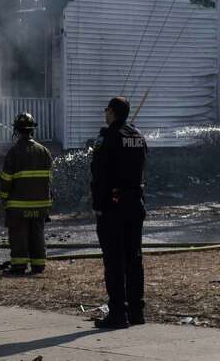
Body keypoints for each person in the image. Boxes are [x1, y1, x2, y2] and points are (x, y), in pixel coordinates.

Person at [90, 96, 148, 330]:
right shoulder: (138, 136)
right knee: (134, 258)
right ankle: (136, 312)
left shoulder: (108, 135)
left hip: (113, 206)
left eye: (106, 110)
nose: (105, 114)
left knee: (114, 261)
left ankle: (118, 314)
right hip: (136, 203)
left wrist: (98, 205)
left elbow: (99, 173)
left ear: (113, 112)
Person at [0, 112, 53, 275]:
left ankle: (19, 265)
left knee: (18, 235)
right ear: (32, 130)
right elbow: (49, 180)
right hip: (41, 204)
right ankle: (38, 265)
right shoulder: (44, 151)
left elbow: (5, 180)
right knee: (37, 234)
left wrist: (4, 198)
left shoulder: (13, 153)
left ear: (16, 131)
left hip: (18, 205)